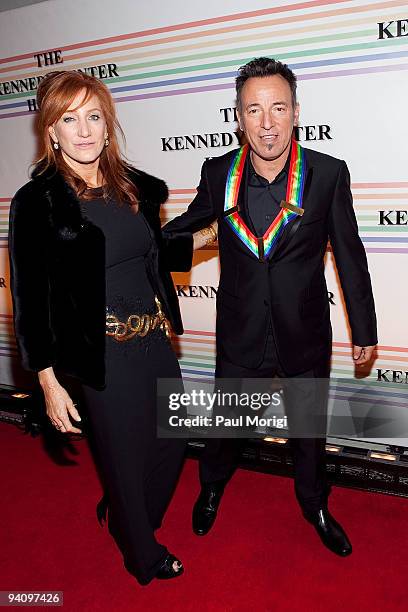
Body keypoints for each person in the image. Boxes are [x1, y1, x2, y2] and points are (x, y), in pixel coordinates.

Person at [163, 57, 377, 557]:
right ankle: (212, 485)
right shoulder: (218, 174)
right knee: (225, 428)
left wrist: (364, 328)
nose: (266, 123)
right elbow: (186, 231)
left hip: (304, 332)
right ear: (237, 117)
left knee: (308, 433)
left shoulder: (326, 174)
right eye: (253, 110)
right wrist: (139, 240)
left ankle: (315, 504)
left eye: (278, 108)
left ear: (296, 112)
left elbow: (350, 253)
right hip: (240, 331)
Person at [8, 70, 215, 585]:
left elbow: (152, 254)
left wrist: (217, 232)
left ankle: (126, 515)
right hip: (102, 352)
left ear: (109, 124)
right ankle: (140, 554)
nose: (84, 130)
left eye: (94, 117)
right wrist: (49, 383)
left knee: (172, 444)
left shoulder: (132, 187)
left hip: (153, 341)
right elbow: (31, 299)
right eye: (69, 119)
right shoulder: (38, 202)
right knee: (124, 456)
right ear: (50, 131)